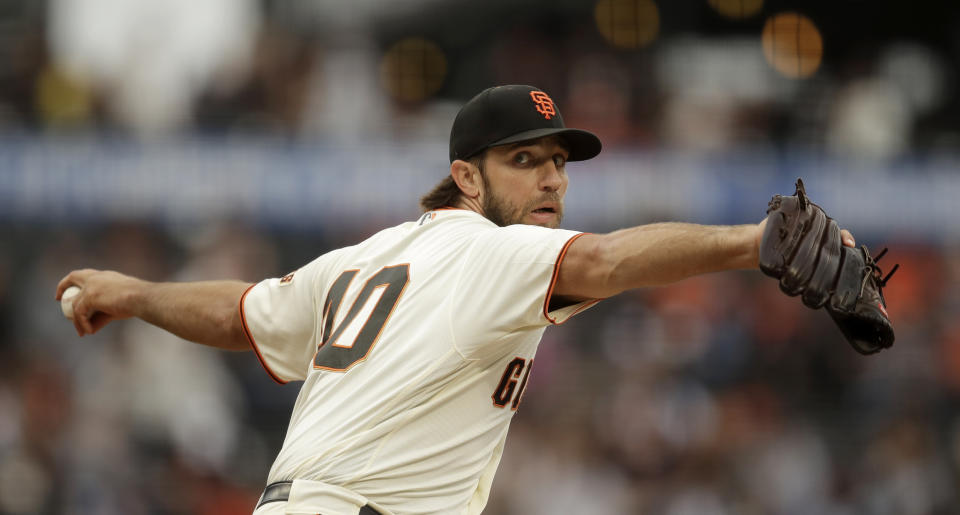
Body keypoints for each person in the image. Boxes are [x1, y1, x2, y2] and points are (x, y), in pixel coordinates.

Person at [57, 84, 857, 515]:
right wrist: (751, 243)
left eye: (558, 161)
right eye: (523, 159)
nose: (551, 178)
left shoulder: (365, 257)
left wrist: (134, 292)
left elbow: (242, 313)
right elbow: (611, 258)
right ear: (468, 178)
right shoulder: (491, 251)